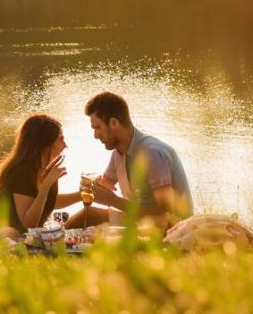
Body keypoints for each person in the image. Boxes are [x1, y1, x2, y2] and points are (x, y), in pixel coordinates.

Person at [66, 92, 193, 229]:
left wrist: (113, 200)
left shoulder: (151, 153)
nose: (95, 136)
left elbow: (167, 213)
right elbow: (106, 183)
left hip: (173, 229)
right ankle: (56, 243)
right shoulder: (119, 152)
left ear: (113, 123)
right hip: (141, 221)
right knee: (87, 215)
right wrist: (93, 186)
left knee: (92, 217)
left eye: (97, 127)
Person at [0, 114, 82, 237]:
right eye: (61, 139)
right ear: (46, 143)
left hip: (19, 239)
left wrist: (80, 196)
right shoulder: (21, 173)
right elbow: (28, 224)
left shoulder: (45, 169)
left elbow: (45, 202)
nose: (65, 145)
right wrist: (46, 185)